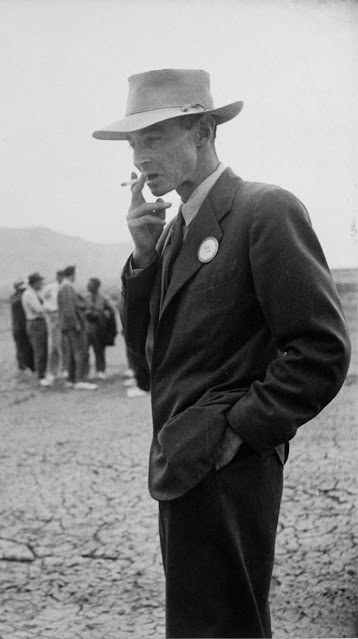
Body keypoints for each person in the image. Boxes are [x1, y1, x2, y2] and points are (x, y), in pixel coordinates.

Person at [93, 69, 351, 638]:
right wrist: (143, 261)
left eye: (154, 137)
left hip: (230, 467)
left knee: (225, 626)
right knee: (199, 624)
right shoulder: (169, 234)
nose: (139, 156)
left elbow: (320, 350)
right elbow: (147, 362)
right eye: (134, 143)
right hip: (183, 461)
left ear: (205, 130)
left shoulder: (263, 210)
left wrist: (237, 431)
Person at [57, 265, 97, 390]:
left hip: (69, 325)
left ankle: (72, 379)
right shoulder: (66, 288)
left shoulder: (65, 288)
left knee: (72, 352)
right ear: (71, 275)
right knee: (80, 351)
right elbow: (69, 309)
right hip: (74, 325)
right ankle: (79, 379)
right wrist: (76, 324)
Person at [83, 277, 116, 380]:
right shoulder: (85, 298)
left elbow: (112, 311)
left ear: (96, 286)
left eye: (91, 284)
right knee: (85, 351)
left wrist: (105, 313)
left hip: (99, 328)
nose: (89, 286)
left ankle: (101, 371)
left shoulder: (103, 298)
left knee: (99, 350)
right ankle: (85, 372)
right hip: (87, 328)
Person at [21, 272, 51, 386]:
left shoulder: (34, 293)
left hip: (38, 323)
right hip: (35, 323)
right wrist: (47, 307)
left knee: (42, 349)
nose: (42, 284)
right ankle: (41, 376)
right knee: (40, 350)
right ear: (34, 283)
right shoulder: (29, 294)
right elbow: (38, 309)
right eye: (40, 282)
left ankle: (42, 373)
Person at [41, 269, 64, 381]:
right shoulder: (51, 287)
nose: (61, 278)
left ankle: (63, 371)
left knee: (63, 344)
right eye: (60, 276)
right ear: (57, 276)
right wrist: (49, 310)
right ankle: (52, 372)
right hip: (55, 315)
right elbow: (42, 299)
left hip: (63, 316)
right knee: (55, 344)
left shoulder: (65, 287)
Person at [10, 278, 34, 374]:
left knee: (28, 348)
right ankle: (22, 368)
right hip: (19, 328)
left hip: (25, 326)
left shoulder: (22, 296)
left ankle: (29, 367)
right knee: (20, 348)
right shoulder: (15, 298)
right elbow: (15, 301)